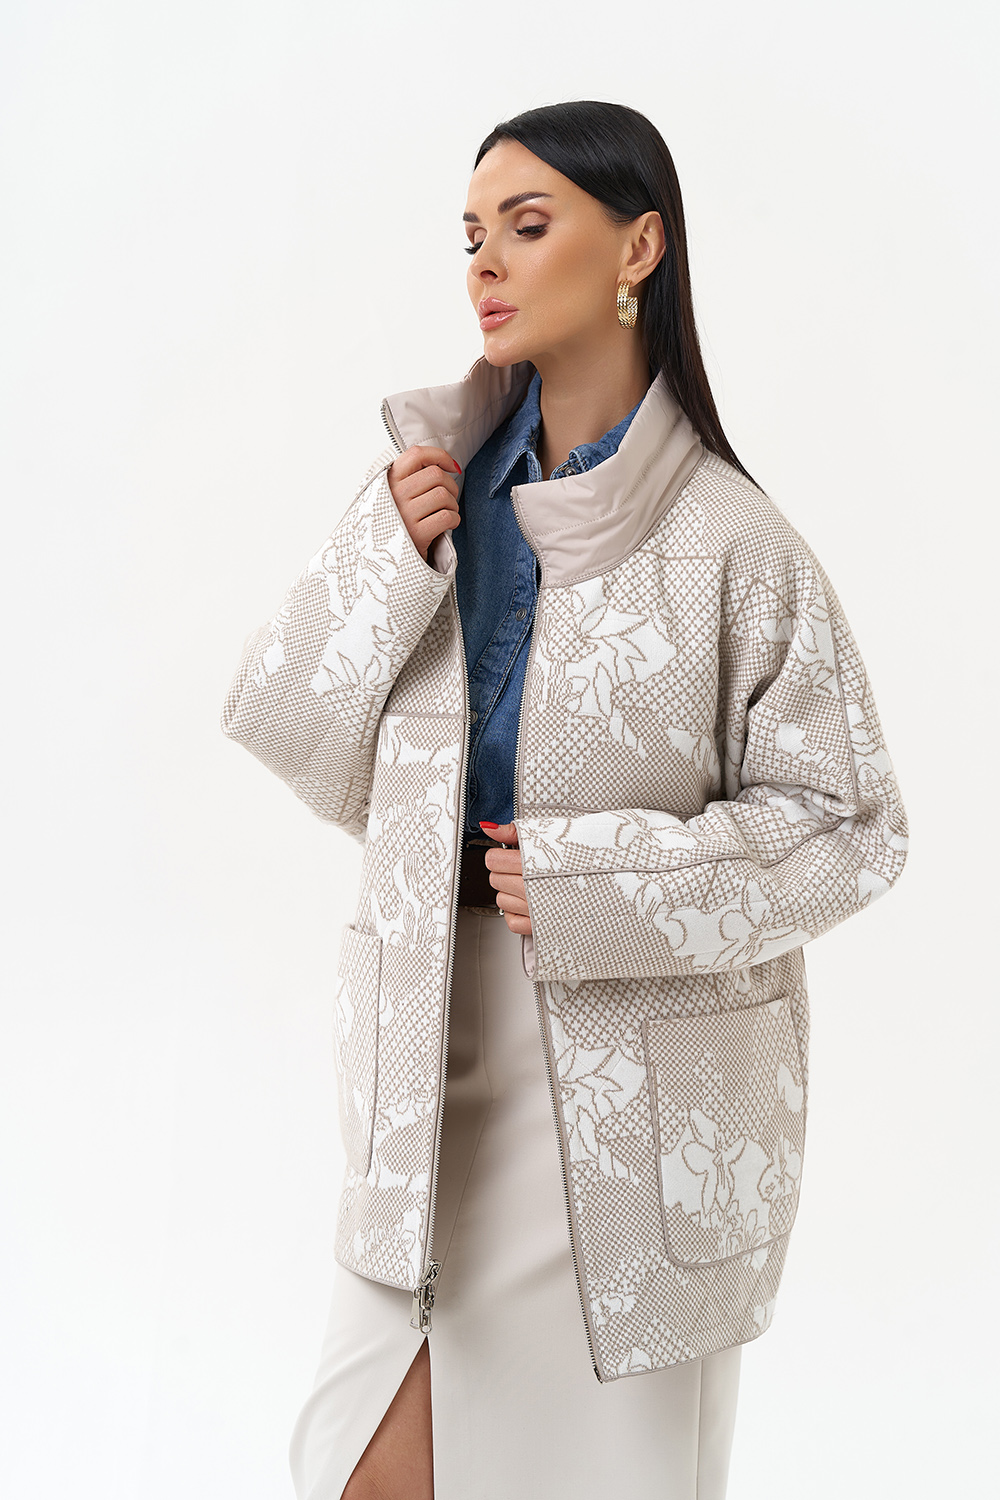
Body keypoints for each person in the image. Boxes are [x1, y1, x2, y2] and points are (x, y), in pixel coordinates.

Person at [221, 100, 908, 1500]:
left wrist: (601, 885)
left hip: (629, 1103)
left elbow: (852, 828)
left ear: (637, 248)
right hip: (424, 1062)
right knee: (362, 1468)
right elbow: (294, 739)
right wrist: (379, 564)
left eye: (528, 227)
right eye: (472, 234)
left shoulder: (737, 547)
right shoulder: (425, 499)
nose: (485, 262)